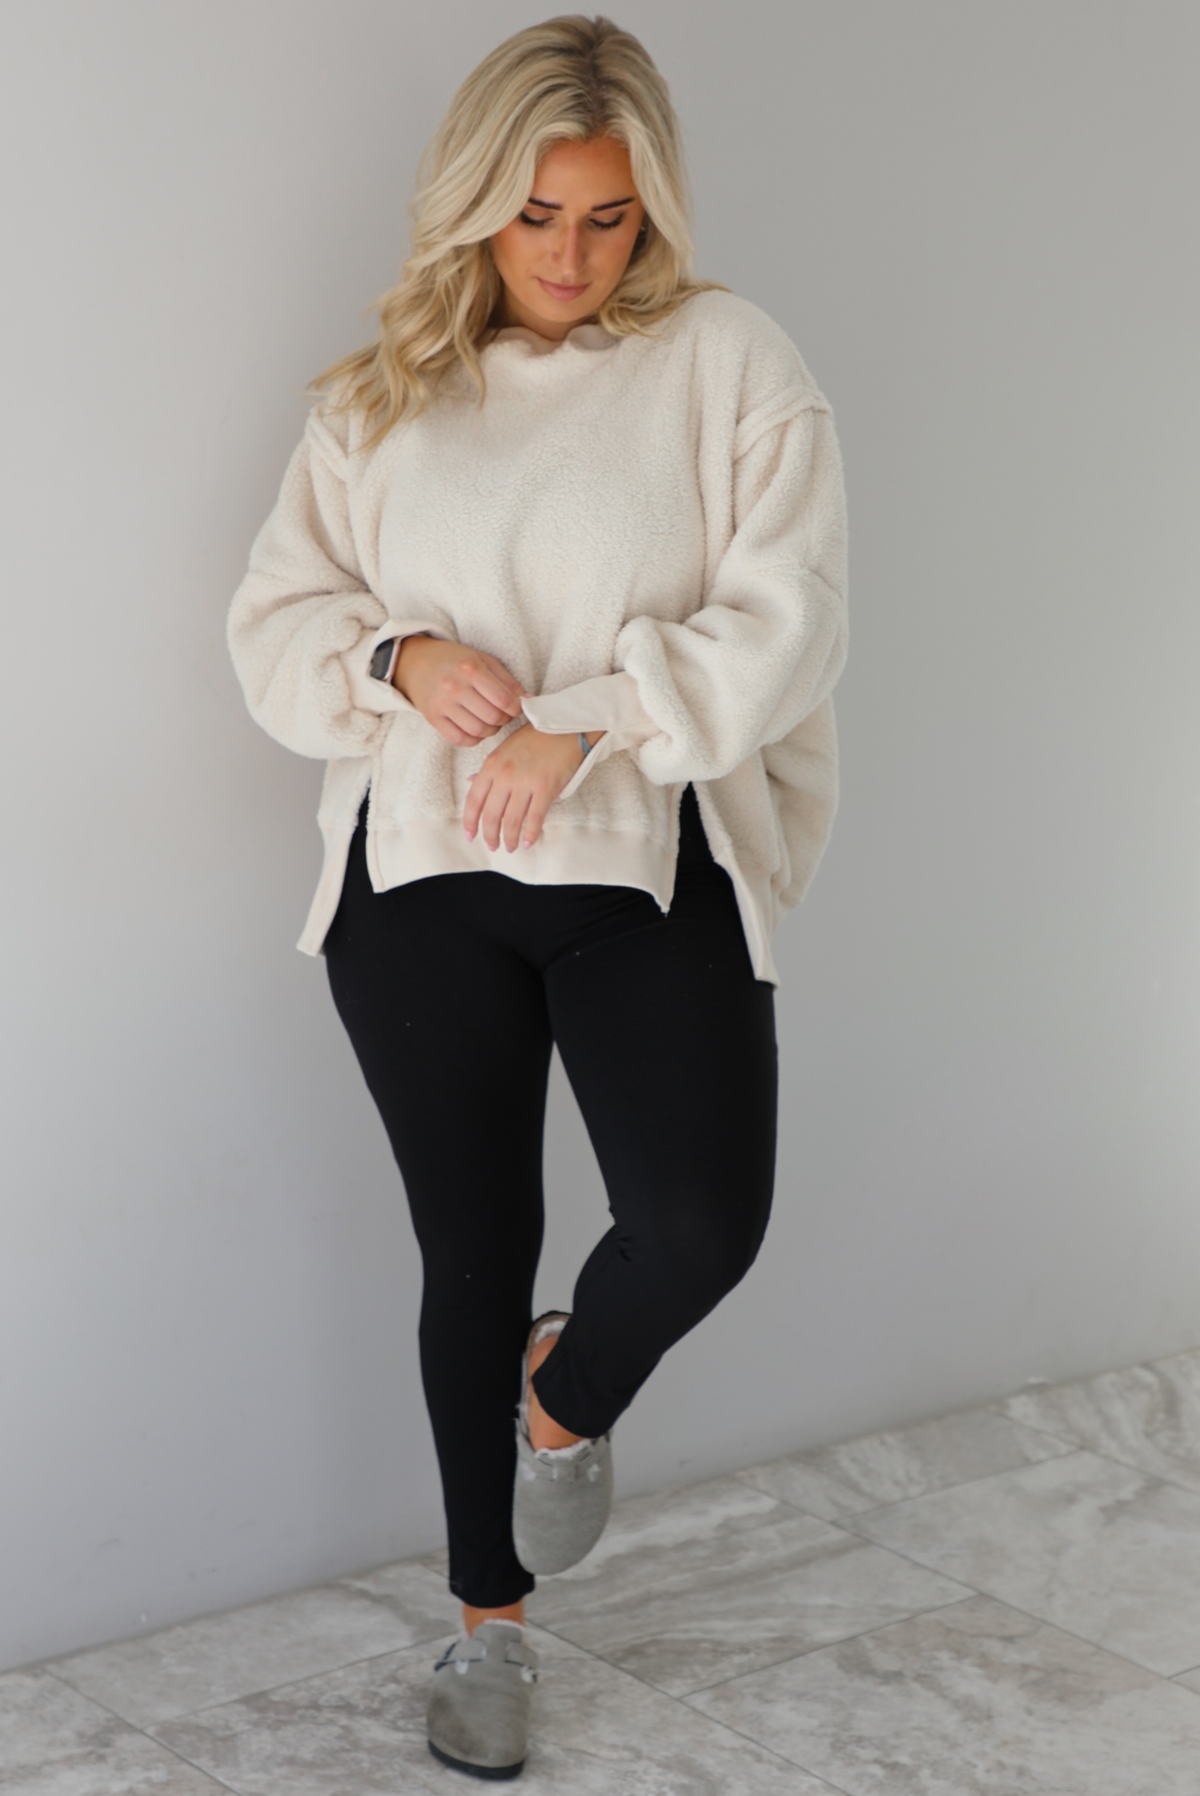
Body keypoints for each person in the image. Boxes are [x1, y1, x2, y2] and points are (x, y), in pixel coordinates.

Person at [228, 12, 847, 1780]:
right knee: (469, 1244)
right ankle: (485, 1626)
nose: (572, 258)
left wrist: (585, 730)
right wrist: (400, 655)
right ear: (472, 208)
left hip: (642, 853)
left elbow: (789, 618)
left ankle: (562, 1396)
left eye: (607, 218)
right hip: (417, 877)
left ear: (654, 208)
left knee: (704, 1222)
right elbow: (274, 630)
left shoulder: (731, 362)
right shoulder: (381, 397)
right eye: (535, 218)